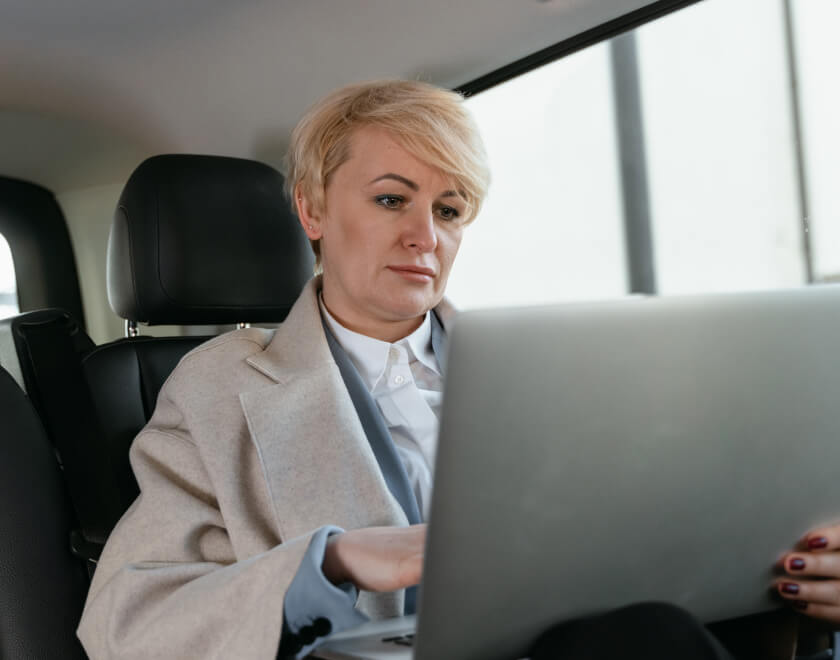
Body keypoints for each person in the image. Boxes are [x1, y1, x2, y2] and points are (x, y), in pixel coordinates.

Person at [77, 80, 840, 660]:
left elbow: (652, 544)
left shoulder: (551, 371)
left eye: (448, 210)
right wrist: (333, 558)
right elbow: (124, 616)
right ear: (312, 211)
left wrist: (794, 572)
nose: (424, 236)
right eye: (391, 199)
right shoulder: (219, 386)